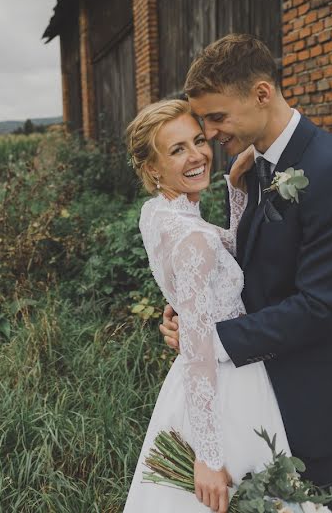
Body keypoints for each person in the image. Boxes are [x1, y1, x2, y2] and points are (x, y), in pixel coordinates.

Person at [160, 34, 332, 513]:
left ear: (262, 94)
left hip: (318, 405)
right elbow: (252, 271)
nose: (213, 133)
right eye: (205, 122)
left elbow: (321, 305)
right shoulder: (253, 168)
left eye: (218, 118)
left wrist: (210, 339)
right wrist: (193, 305)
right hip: (258, 401)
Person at [122, 99, 290, 513]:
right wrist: (209, 457)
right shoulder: (190, 237)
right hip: (227, 385)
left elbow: (222, 247)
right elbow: (198, 350)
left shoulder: (158, 213)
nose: (197, 155)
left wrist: (235, 185)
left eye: (198, 140)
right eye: (177, 149)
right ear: (152, 169)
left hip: (192, 385)